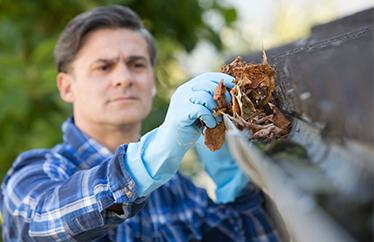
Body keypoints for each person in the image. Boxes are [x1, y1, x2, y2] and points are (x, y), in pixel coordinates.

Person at [0, 5, 279, 242]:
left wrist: (237, 191)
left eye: (137, 64)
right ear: (66, 87)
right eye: (103, 67)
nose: (124, 78)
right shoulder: (35, 173)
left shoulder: (179, 191)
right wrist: (146, 162)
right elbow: (40, 220)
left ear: (152, 83)